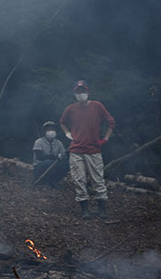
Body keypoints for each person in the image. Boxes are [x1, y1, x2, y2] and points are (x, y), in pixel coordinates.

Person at [60, 80, 116, 219]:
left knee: (98, 180)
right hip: (76, 150)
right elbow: (62, 122)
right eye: (78, 92)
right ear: (74, 94)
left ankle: (102, 210)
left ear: (88, 92)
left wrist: (105, 139)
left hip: (93, 150)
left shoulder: (97, 106)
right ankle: (85, 210)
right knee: (79, 180)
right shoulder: (71, 108)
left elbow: (111, 122)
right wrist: (67, 134)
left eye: (83, 91)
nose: (81, 94)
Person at [32, 121, 68, 186]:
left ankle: (54, 181)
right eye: (49, 129)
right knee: (48, 162)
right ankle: (43, 181)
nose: (51, 131)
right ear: (44, 131)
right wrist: (52, 157)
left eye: (53, 129)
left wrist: (61, 157)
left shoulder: (58, 143)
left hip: (54, 167)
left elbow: (64, 155)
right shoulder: (39, 142)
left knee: (66, 165)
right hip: (39, 168)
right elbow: (39, 156)